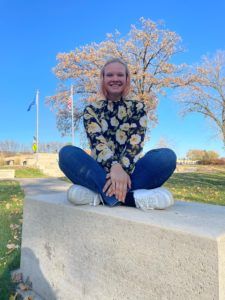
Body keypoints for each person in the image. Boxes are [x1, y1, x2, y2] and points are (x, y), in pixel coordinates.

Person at [58, 58, 177, 210]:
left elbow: (135, 144)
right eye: (110, 75)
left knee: (166, 157)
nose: (115, 79)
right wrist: (114, 167)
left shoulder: (137, 108)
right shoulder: (91, 110)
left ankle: (101, 195)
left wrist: (122, 170)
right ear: (103, 79)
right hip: (99, 172)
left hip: (131, 174)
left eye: (120, 75)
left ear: (127, 79)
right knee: (67, 154)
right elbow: (97, 143)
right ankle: (132, 198)